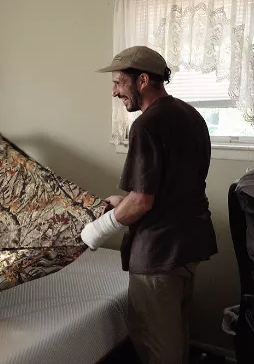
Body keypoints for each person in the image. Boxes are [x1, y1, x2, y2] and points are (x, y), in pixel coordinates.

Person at [81, 46, 218, 364]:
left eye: (118, 83)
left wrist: (98, 230)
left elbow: (142, 201)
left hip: (159, 253)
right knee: (178, 334)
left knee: (157, 345)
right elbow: (170, 186)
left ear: (142, 80)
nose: (115, 92)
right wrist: (123, 201)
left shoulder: (146, 125)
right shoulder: (190, 115)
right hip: (189, 246)